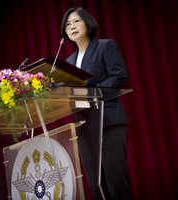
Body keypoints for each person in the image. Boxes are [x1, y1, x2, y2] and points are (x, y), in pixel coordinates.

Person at [60, 7, 132, 199]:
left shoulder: (105, 47)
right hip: (84, 127)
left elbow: (119, 77)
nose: (71, 26)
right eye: (67, 24)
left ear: (87, 22)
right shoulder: (68, 61)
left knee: (115, 181)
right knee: (96, 185)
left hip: (107, 122)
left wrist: (90, 93)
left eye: (76, 21)